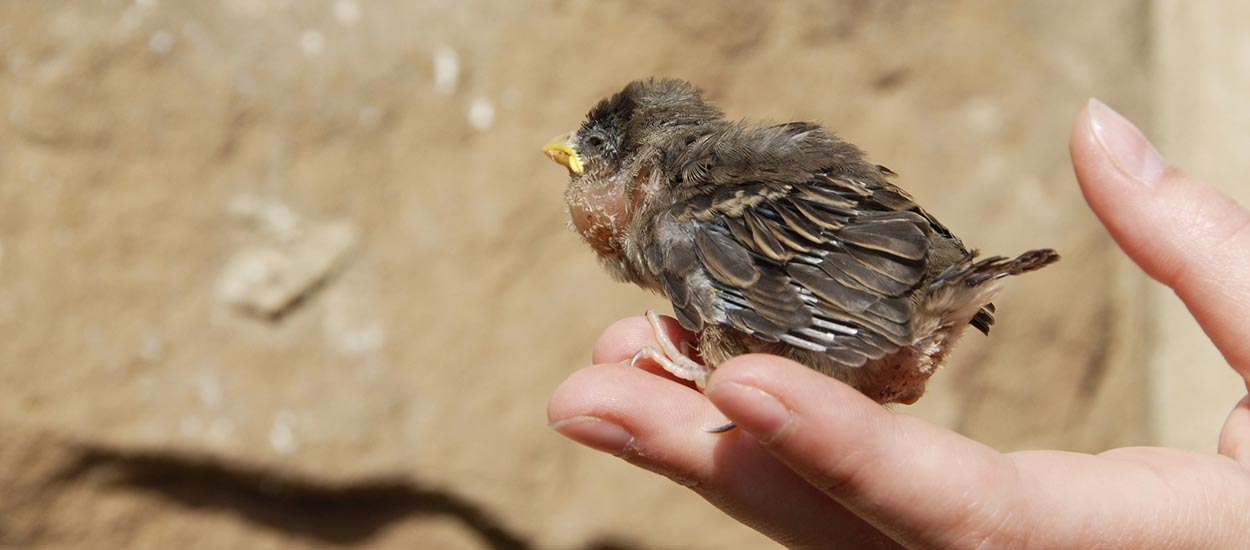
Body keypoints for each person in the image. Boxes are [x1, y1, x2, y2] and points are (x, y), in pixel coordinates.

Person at [547, 99, 1250, 548]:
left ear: (631, 162)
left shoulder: (683, 216)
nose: (571, 163)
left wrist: (868, 327)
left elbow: (808, 295)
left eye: (588, 154)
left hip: (882, 305)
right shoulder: (711, 193)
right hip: (898, 302)